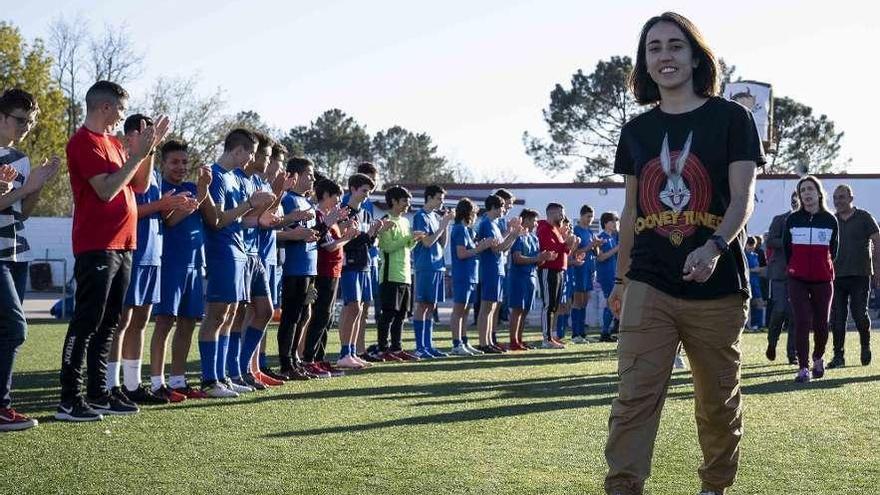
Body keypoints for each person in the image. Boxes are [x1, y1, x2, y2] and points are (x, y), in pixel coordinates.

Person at [603, 12, 764, 495]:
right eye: (654, 48)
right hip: (649, 281)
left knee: (716, 401)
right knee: (634, 396)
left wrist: (715, 246)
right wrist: (620, 280)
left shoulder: (732, 119)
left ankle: (714, 487)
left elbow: (743, 198)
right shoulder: (636, 132)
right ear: (645, 62)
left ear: (696, 56)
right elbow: (632, 212)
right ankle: (623, 486)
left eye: (675, 45)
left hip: (717, 286)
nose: (665, 56)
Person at [58, 81, 170, 421]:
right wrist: (137, 154)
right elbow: (106, 190)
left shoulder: (114, 144)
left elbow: (140, 185)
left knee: (109, 323)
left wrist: (149, 151)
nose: (123, 115)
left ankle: (99, 392)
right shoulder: (83, 143)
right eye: (121, 109)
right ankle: (69, 399)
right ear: (106, 107)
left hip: (124, 243)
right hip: (96, 244)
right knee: (87, 321)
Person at [108, 115, 196, 405]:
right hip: (132, 251)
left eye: (154, 134)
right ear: (131, 135)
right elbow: (129, 211)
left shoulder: (153, 176)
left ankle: (133, 385)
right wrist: (162, 205)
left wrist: (180, 207)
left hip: (152, 256)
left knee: (141, 320)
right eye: (147, 133)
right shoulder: (126, 166)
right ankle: (111, 385)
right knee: (122, 321)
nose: (152, 138)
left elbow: (163, 218)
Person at [197, 128, 274, 398]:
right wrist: (249, 204)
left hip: (240, 250)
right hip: (221, 250)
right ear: (238, 150)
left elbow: (243, 218)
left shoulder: (236, 178)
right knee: (216, 314)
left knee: (230, 315)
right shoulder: (216, 176)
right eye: (250, 153)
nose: (251, 159)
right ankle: (209, 380)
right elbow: (217, 220)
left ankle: (223, 377)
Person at [0, 88, 60, 430]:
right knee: (14, 328)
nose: (27, 127)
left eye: (31, 122)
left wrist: (37, 184)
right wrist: (26, 187)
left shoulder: (19, 159)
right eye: (21, 120)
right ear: (2, 116)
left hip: (16, 252)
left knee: (7, 330)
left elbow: (21, 214)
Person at [149, 140, 211, 401]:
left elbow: (210, 217)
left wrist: (203, 190)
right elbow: (169, 220)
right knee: (165, 321)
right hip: (170, 264)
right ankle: (156, 382)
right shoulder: (158, 188)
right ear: (163, 163)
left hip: (195, 265)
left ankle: (178, 379)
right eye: (175, 162)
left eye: (185, 162)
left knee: (188, 322)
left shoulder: (191, 188)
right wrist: (189, 202)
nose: (181, 167)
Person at [784, 176, 838, 383]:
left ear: (818, 193)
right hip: (797, 279)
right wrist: (794, 268)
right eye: (802, 190)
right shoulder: (792, 219)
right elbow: (788, 250)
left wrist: (822, 267)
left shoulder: (830, 220)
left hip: (823, 279)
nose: (806, 193)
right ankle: (803, 367)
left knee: (822, 323)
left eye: (810, 189)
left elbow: (834, 250)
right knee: (802, 321)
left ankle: (818, 358)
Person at [301, 178, 354, 377]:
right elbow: (329, 245)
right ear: (324, 195)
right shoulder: (319, 216)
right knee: (319, 316)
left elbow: (335, 243)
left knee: (327, 317)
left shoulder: (330, 218)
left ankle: (319, 359)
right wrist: (349, 236)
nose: (339, 201)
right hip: (323, 272)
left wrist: (345, 231)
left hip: (333, 272)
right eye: (336, 197)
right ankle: (309, 359)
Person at [337, 173, 388, 368]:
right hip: (349, 264)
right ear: (353, 189)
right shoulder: (344, 211)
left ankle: (352, 351)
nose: (367, 195)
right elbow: (346, 241)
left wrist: (375, 233)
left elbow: (368, 241)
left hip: (365, 264)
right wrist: (368, 234)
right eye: (364, 191)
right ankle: (344, 352)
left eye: (369, 192)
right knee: (353, 307)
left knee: (360, 310)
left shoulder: (366, 214)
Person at [276, 157, 321, 380]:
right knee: (291, 316)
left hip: (309, 267)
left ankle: (295, 359)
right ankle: (286, 364)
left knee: (304, 315)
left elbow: (311, 234)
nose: (313, 178)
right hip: (293, 268)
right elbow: (286, 229)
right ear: (295, 176)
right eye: (309, 175)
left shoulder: (308, 202)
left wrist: (326, 223)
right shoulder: (288, 200)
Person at [828, 184, 880, 368]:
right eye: (835, 198)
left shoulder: (864, 217)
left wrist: (877, 268)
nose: (838, 201)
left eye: (842, 197)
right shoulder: (831, 220)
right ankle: (838, 356)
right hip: (836, 276)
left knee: (859, 314)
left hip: (860, 274)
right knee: (838, 318)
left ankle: (865, 346)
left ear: (851, 198)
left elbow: (877, 239)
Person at [373, 186, 425, 360]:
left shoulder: (404, 221)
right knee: (388, 314)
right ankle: (382, 349)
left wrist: (414, 240)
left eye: (408, 202)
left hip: (405, 275)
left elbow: (406, 246)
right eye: (404, 201)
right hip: (390, 275)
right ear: (394, 201)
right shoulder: (386, 221)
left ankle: (396, 348)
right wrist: (408, 238)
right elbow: (387, 247)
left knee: (402, 315)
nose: (407, 205)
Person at [412, 185, 455, 358]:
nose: (441, 202)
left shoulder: (436, 217)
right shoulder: (420, 216)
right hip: (425, 266)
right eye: (439, 198)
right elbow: (427, 242)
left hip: (438, 265)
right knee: (423, 305)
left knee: (432, 306)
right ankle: (420, 347)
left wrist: (446, 225)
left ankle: (428, 346)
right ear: (429, 198)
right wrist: (441, 226)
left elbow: (441, 244)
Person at [475, 194, 521, 353]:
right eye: (502, 207)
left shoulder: (494, 224)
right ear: (494, 207)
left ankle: (489, 341)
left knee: (493, 307)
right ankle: (483, 342)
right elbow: (496, 248)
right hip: (489, 268)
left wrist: (511, 234)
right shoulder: (486, 224)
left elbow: (503, 246)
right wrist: (514, 235)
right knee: (487, 306)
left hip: (498, 267)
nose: (504, 210)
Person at [449, 198, 494, 356]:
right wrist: (480, 247)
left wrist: (479, 246)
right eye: (474, 213)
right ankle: (456, 344)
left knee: (466, 310)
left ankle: (464, 340)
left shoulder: (469, 230)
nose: (476, 217)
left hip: (471, 274)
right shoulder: (458, 229)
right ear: (467, 213)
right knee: (459, 309)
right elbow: (461, 254)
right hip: (462, 274)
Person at [509, 208, 555, 350]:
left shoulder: (534, 238)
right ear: (526, 220)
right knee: (517, 310)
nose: (536, 224)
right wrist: (537, 258)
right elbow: (517, 258)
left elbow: (537, 261)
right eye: (534, 221)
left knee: (525, 310)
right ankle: (513, 340)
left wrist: (544, 258)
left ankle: (520, 340)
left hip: (531, 277)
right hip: (518, 277)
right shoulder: (518, 236)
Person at [536, 203, 578, 349]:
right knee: (549, 305)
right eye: (560, 214)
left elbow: (563, 252)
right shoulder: (544, 229)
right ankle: (546, 339)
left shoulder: (556, 230)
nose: (563, 217)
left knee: (554, 305)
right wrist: (565, 243)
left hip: (559, 270)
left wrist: (569, 244)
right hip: (549, 270)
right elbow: (550, 251)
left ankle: (551, 336)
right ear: (552, 214)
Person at [764, 191, 799, 363]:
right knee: (779, 310)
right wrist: (790, 242)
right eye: (794, 199)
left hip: (801, 273)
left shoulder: (811, 221)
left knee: (795, 314)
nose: (796, 202)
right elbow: (770, 241)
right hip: (780, 272)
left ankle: (792, 354)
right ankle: (772, 343)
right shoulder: (780, 219)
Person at [570, 205, 602, 343]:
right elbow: (574, 253)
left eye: (592, 216)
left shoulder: (590, 232)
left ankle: (582, 333)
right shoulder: (576, 231)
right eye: (588, 216)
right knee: (577, 301)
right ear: (581, 216)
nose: (590, 219)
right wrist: (590, 246)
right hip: (578, 270)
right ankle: (575, 334)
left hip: (589, 269)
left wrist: (597, 246)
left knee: (584, 302)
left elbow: (596, 253)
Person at [596, 212, 620, 341]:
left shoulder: (613, 237)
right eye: (613, 221)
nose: (615, 223)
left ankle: (608, 331)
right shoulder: (601, 237)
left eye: (616, 221)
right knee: (610, 301)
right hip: (606, 274)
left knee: (614, 301)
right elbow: (600, 257)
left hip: (614, 273)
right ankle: (605, 332)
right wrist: (617, 248)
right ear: (606, 223)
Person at [744, 236, 765, 331]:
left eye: (753, 245)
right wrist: (753, 270)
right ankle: (747, 326)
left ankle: (758, 325)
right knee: (748, 305)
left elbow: (762, 268)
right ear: (745, 244)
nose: (751, 247)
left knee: (759, 303)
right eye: (749, 245)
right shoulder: (743, 256)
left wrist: (759, 270)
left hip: (756, 283)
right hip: (747, 283)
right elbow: (743, 270)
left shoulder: (755, 256)